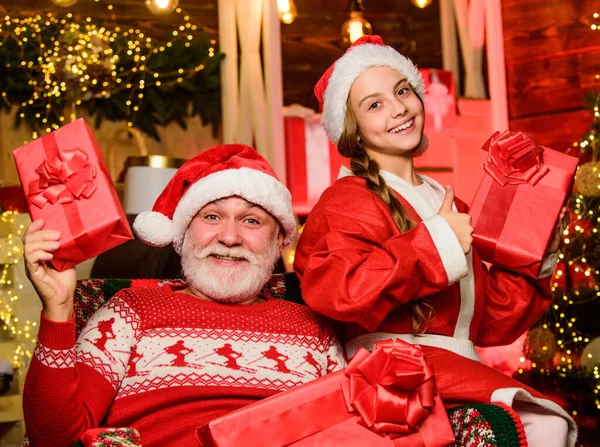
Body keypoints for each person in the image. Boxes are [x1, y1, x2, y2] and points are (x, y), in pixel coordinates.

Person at [294, 35, 576, 446]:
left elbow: (492, 321)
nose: (398, 109)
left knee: (547, 424)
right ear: (353, 129)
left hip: (456, 367)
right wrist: (437, 240)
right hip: (391, 374)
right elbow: (340, 290)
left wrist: (538, 243)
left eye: (402, 91)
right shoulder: (346, 200)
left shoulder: (447, 201)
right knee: (543, 425)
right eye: (374, 104)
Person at [23, 144, 346, 446]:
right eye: (212, 216)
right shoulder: (130, 310)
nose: (229, 237)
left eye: (251, 220)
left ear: (278, 243)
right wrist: (59, 309)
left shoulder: (311, 326)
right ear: (183, 233)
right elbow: (54, 438)